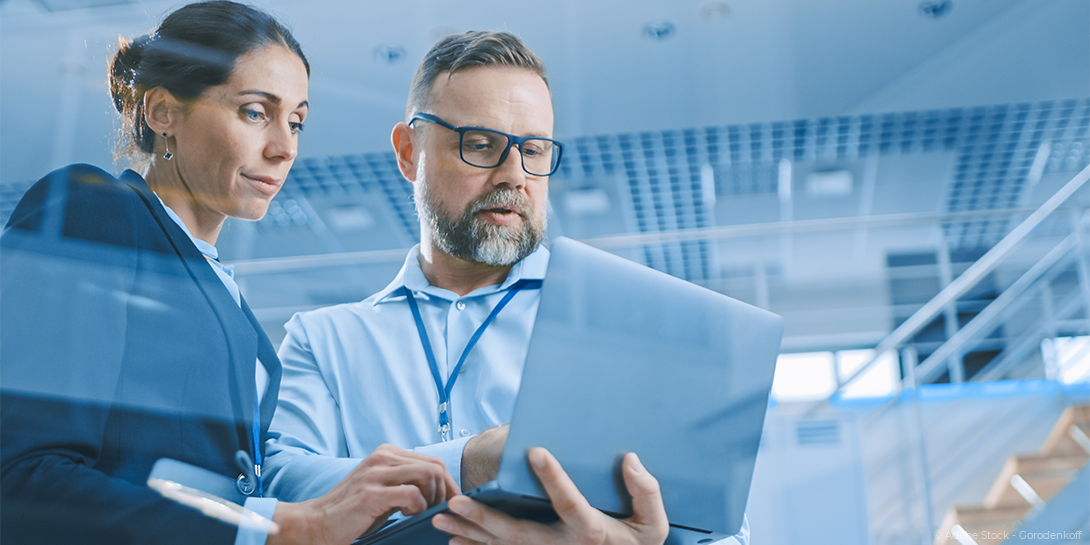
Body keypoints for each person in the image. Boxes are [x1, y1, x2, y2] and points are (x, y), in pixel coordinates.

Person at [0, 3, 459, 544]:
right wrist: (275, 528)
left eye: (296, 121)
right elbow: (20, 479)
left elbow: (202, 487)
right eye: (254, 112)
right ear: (162, 111)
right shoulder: (94, 210)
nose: (284, 148)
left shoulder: (230, 302)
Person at [265, 31, 746, 544]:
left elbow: (721, 532)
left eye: (534, 150)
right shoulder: (326, 340)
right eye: (480, 145)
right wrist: (468, 462)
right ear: (409, 152)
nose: (514, 175)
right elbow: (283, 488)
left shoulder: (627, 322)